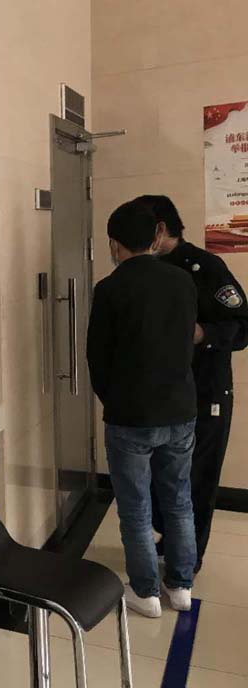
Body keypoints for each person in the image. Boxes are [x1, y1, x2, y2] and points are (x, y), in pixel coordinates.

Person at [87, 198, 198, 618]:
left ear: (114, 244)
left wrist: (114, 400)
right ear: (156, 237)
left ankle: (146, 593)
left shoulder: (110, 289)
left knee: (135, 509)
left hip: (130, 414)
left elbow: (97, 358)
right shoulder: (182, 281)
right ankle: (181, 585)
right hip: (180, 409)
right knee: (179, 500)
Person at [150, 195, 248, 571]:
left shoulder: (205, 267)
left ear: (160, 229)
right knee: (160, 474)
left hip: (206, 389)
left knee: (198, 476)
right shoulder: (145, 271)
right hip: (160, 391)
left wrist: (202, 333)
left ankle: (189, 557)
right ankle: (169, 539)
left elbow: (242, 327)